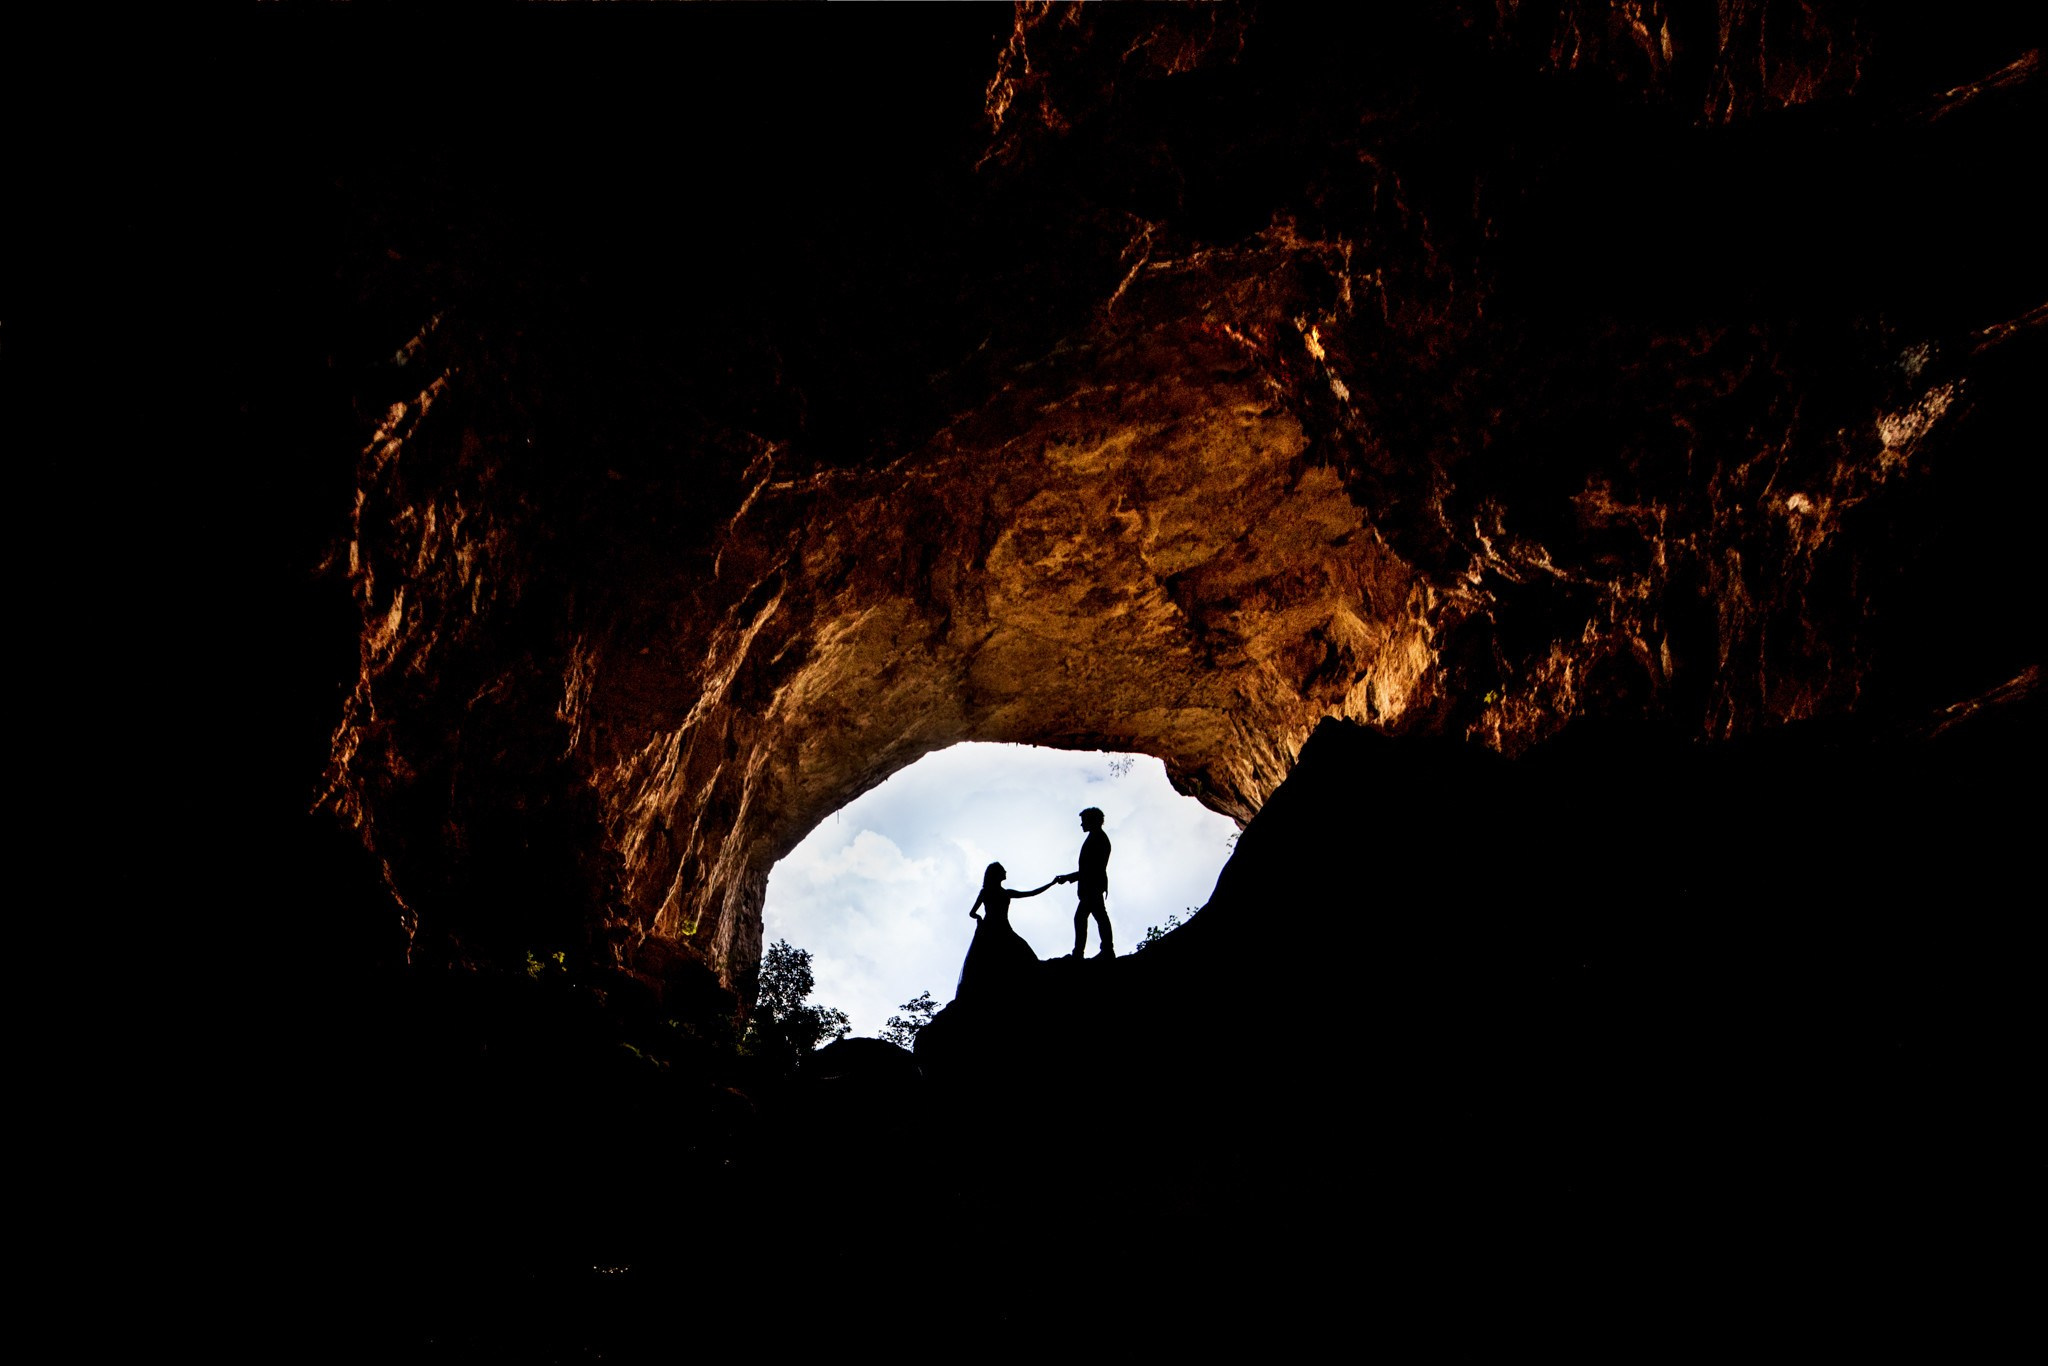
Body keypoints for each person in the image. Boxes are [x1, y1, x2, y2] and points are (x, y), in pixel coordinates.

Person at [957, 862, 1056, 999]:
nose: (1005, 872)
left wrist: (1051, 884)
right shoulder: (990, 892)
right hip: (992, 929)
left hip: (1001, 927)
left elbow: (1031, 893)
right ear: (996, 874)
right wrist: (979, 918)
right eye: (1003, 870)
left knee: (1018, 951)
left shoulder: (1004, 893)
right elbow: (972, 912)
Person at [1058, 807, 1114, 959]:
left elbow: (1092, 869)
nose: (1081, 825)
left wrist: (1069, 877)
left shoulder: (1098, 839)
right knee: (1098, 916)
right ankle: (1105, 949)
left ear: (1092, 821)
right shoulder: (1096, 837)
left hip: (1093, 886)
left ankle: (1084, 952)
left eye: (1084, 821)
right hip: (1092, 885)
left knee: (1085, 917)